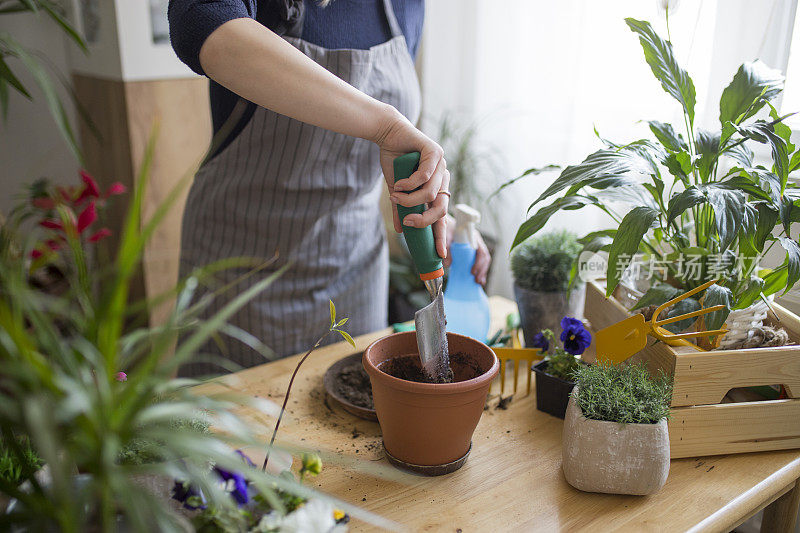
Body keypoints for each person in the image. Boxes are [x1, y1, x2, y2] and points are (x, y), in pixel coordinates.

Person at [168, 0, 490, 375]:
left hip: (353, 273)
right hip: (242, 276)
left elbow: (365, 157)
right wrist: (384, 125)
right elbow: (205, 27)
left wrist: (425, 211)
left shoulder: (405, 6)